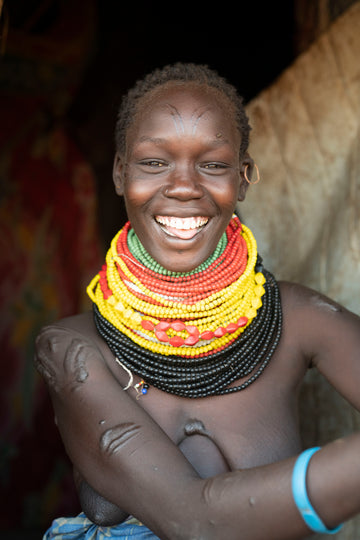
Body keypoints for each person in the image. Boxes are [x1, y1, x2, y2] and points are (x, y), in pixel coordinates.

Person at [34, 62, 360, 540]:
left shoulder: (300, 319)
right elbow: (192, 519)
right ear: (121, 174)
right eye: (152, 162)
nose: (184, 186)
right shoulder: (73, 348)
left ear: (244, 179)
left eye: (213, 164)